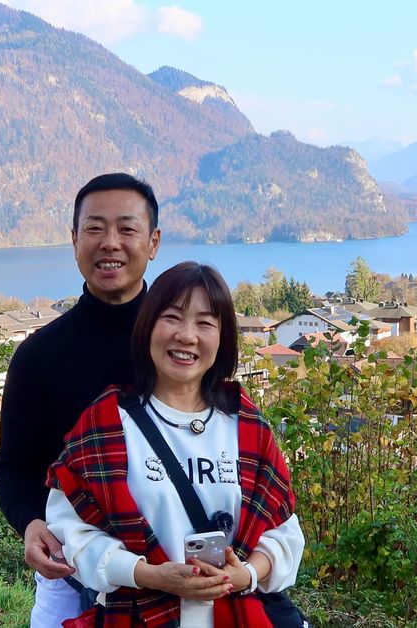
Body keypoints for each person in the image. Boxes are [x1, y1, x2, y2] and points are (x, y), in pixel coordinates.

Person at [46, 261, 304, 627]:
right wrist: (148, 574)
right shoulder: (106, 424)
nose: (186, 336)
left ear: (223, 338)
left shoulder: (247, 426)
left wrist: (244, 574)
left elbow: (283, 533)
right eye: (172, 317)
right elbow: (72, 531)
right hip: (139, 617)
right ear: (147, 326)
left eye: (205, 323)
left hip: (236, 617)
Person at [0, 173, 162, 628]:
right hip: (70, 573)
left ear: (153, 242)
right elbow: (14, 466)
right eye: (95, 228)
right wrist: (31, 523)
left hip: (171, 574)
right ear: (74, 241)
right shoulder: (39, 355)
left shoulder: (180, 350)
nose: (110, 243)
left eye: (127, 229)